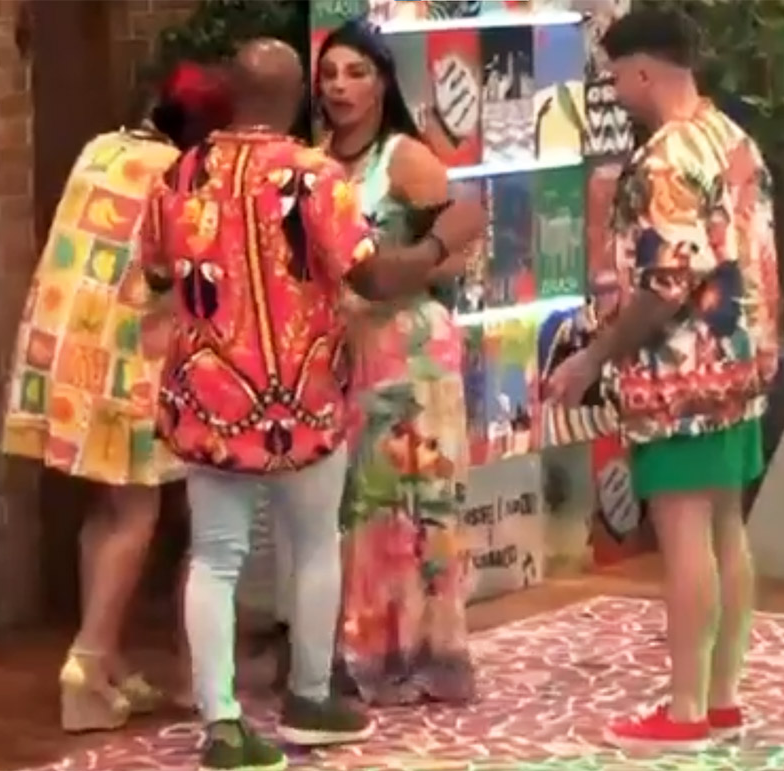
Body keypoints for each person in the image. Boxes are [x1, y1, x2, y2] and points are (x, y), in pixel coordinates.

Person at [142, 37, 482, 771]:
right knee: (315, 544)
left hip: (210, 396)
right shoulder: (313, 175)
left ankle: (222, 722)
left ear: (231, 93)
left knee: (217, 557)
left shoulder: (181, 172)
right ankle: (309, 697)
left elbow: (157, 272)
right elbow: (372, 278)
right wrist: (439, 244)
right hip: (303, 394)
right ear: (298, 94)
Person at [546, 9, 780, 751]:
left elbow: (665, 283)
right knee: (725, 527)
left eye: (616, 77)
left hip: (681, 375)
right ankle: (721, 697)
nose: (615, 92)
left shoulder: (664, 160)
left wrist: (593, 356)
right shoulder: (732, 137)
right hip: (742, 360)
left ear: (642, 70)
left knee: (683, 535)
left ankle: (684, 710)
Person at [0, 62, 232, 733]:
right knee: (138, 513)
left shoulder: (101, 148)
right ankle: (88, 660)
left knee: (105, 510)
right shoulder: (182, 174)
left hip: (68, 353)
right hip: (130, 360)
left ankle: (110, 661)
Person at [315, 19, 485, 706]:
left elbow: (462, 240)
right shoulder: (313, 161)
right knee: (361, 504)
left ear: (383, 82)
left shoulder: (406, 158)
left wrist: (405, 270)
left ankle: (431, 650)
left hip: (413, 349)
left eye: (356, 73)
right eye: (330, 74)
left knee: (421, 500)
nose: (340, 87)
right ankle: (367, 650)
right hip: (343, 350)